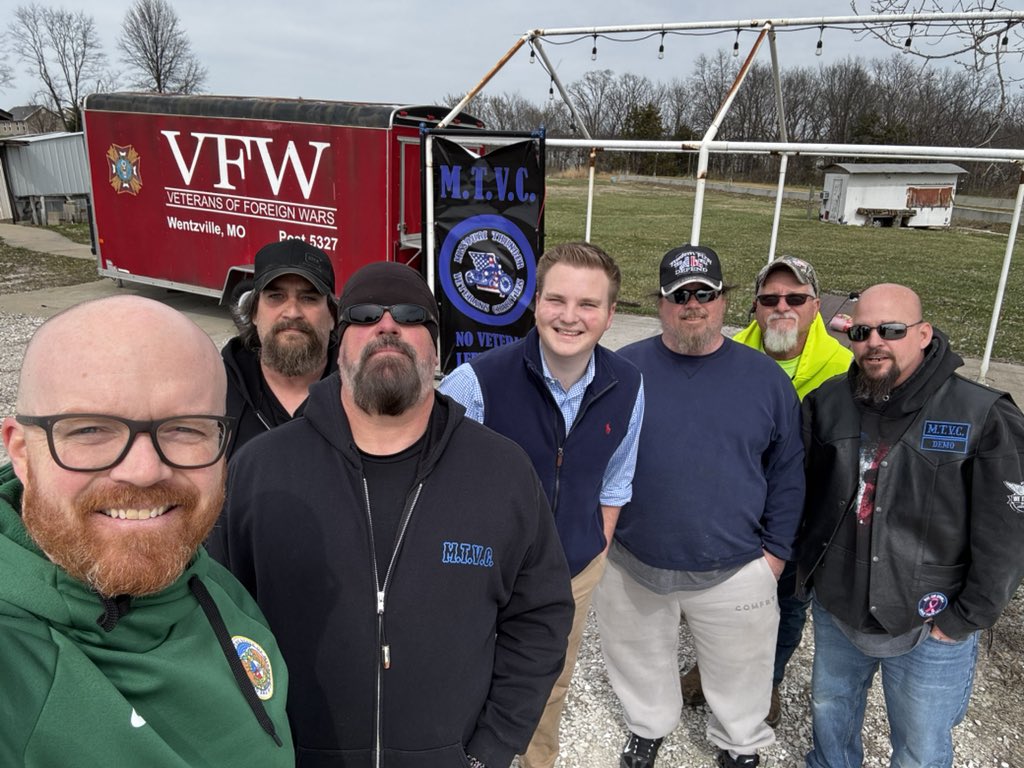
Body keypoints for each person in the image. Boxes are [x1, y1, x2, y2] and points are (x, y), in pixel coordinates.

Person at [207, 261, 574, 768]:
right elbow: (216, 617)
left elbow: (540, 618)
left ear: (437, 349)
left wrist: (491, 748)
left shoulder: (502, 472)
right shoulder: (262, 469)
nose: (387, 325)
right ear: (340, 346)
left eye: (409, 315)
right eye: (364, 315)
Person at [0, 296, 293, 767]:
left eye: (184, 429)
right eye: (91, 430)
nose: (143, 471)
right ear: (20, 452)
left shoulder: (213, 585)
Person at [594, 244, 805, 768]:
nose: (693, 304)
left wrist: (774, 555)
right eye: (680, 294)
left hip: (735, 565)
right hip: (633, 559)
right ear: (662, 303)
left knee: (742, 670)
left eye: (705, 293)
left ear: (724, 301)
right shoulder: (621, 370)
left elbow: (787, 473)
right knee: (639, 660)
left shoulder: (767, 380)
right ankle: (648, 726)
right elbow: (591, 457)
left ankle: (738, 743)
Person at [798, 283, 1024, 768]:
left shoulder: (982, 415)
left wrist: (965, 617)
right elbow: (803, 495)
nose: (874, 341)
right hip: (839, 609)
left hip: (929, 620)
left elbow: (1007, 532)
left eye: (891, 329)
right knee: (829, 719)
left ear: (923, 334)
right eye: (861, 331)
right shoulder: (828, 402)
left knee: (920, 749)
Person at [438, 241, 644, 768]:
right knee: (464, 678)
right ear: (535, 303)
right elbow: (435, 486)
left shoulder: (629, 385)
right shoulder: (475, 383)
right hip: (483, 573)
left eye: (588, 305)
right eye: (557, 300)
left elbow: (616, 480)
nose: (570, 317)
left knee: (546, 687)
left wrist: (593, 547)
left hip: (571, 574)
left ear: (610, 314)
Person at [681, 255, 852, 726]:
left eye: (795, 298)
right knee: (717, 597)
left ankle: (767, 679)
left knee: (788, 603)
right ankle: (708, 668)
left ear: (816, 307)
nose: (782, 307)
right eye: (769, 298)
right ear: (753, 308)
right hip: (734, 508)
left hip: (805, 515)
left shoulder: (844, 369)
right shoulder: (726, 354)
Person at [222, 238, 339, 457]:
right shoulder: (217, 390)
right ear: (254, 312)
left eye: (309, 298)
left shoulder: (359, 392)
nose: (292, 312)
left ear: (333, 316)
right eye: (276, 296)